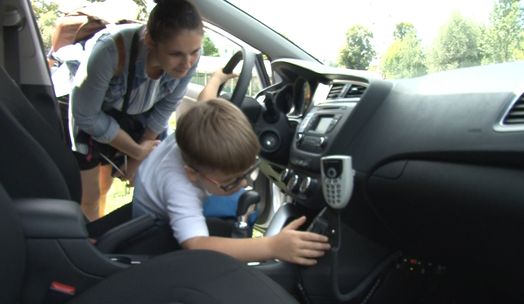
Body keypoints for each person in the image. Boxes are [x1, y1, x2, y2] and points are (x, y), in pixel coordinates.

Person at [132, 98, 331, 265]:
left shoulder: (192, 135)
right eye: (230, 181)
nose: (244, 183)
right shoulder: (180, 187)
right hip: (156, 232)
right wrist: (271, 246)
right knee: (245, 208)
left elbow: (206, 103)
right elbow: (195, 244)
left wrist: (217, 79)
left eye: (249, 172)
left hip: (159, 197)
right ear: (193, 174)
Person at [69, 0, 203, 221]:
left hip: (137, 120)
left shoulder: (189, 58)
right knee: (90, 195)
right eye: (175, 54)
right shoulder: (110, 51)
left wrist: (138, 157)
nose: (187, 63)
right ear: (150, 40)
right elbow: (86, 115)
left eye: (194, 52)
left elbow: (166, 107)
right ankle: (90, 243)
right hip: (95, 119)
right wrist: (135, 150)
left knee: (122, 185)